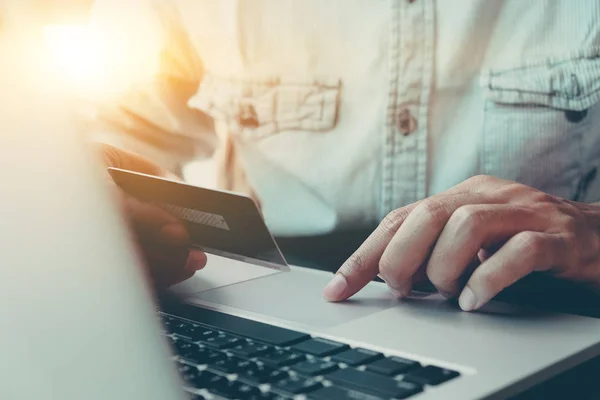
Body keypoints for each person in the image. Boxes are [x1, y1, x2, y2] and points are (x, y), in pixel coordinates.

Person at [88, 0, 600, 312]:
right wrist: (87, 198)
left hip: (544, 305)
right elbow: (118, 132)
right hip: (274, 295)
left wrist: (592, 233)